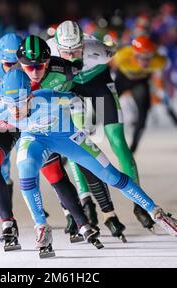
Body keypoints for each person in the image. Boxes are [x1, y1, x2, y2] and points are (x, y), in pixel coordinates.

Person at [0, 69, 177, 257]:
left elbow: (75, 99)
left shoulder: (49, 98)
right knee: (25, 168)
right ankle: (41, 226)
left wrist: (84, 125)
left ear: (30, 95)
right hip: (35, 141)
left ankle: (155, 212)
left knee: (111, 176)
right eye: (9, 104)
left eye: (19, 102)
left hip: (68, 137)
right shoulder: (0, 110)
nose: (14, 110)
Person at [0, 70, 103, 252]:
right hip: (5, 129)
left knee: (53, 172)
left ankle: (80, 220)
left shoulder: (27, 93)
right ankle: (7, 223)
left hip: (31, 126)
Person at [46, 22, 156, 231]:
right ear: (56, 47)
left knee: (117, 141)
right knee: (78, 143)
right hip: (72, 88)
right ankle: (87, 202)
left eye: (76, 51)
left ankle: (139, 205)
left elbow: (125, 61)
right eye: (66, 52)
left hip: (99, 85)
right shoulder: (48, 49)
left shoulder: (99, 50)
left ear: (83, 45)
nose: (71, 56)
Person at [111, 36, 174, 153]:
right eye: (141, 57)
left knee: (143, 113)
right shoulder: (122, 55)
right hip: (123, 79)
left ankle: (134, 146)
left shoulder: (159, 61)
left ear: (153, 55)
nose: (145, 61)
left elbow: (161, 79)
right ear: (134, 54)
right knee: (107, 105)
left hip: (140, 82)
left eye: (148, 57)